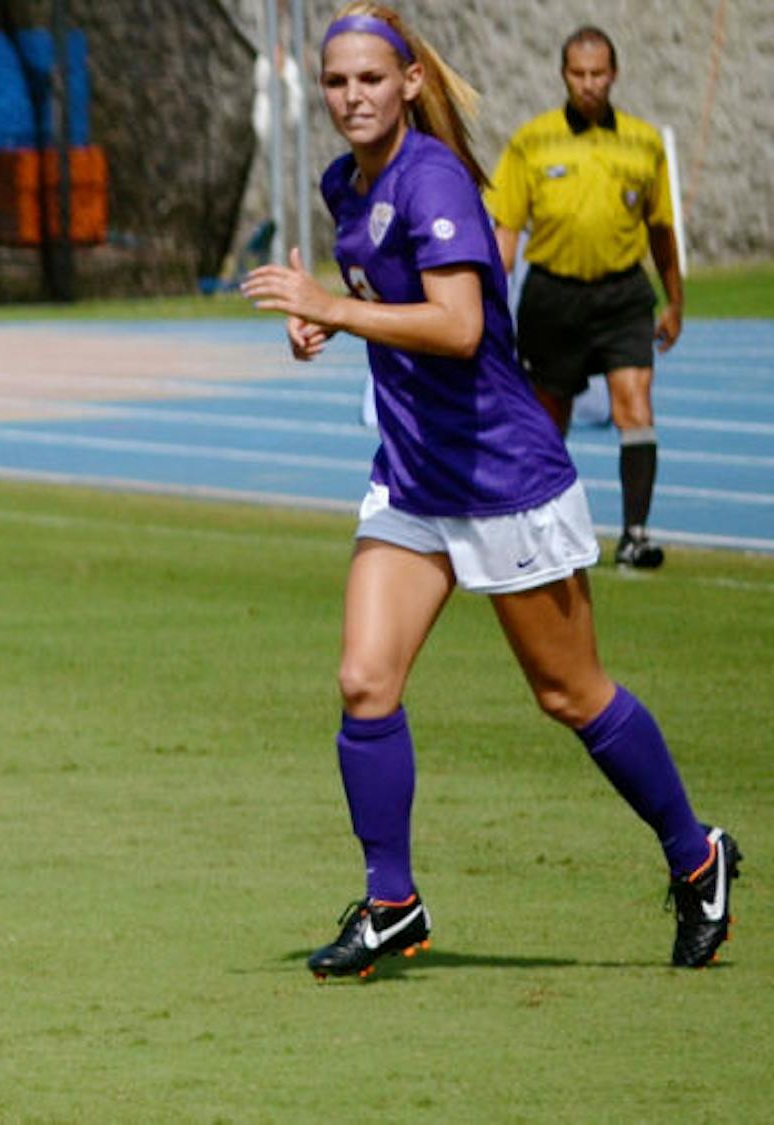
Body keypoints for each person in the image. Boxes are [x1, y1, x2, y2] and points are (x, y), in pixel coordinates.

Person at [239, 3, 737, 980]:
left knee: (569, 692)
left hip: (504, 478)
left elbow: (464, 326)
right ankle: (392, 905)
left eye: (370, 80)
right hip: (416, 477)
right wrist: (331, 324)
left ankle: (696, 855)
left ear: (410, 83)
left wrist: (334, 306)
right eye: (337, 83)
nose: (351, 98)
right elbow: (396, 302)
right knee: (363, 682)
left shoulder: (434, 179)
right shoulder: (348, 182)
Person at [486, 26, 683, 569]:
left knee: (635, 406)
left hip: (622, 295)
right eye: (579, 74)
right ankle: (543, 532)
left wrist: (675, 300)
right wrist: (491, 306)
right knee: (549, 422)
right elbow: (506, 234)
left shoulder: (643, 142)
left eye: (599, 74)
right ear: (563, 75)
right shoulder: (532, 140)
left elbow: (661, 230)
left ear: (614, 74)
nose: (590, 84)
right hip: (554, 297)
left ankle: (635, 535)